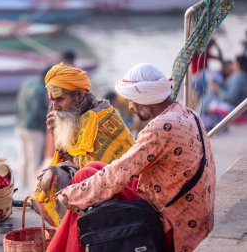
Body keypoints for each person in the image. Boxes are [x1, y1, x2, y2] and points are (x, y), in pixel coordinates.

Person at [53, 63, 216, 252]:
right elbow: (120, 169)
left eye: (132, 100)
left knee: (81, 193)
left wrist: (70, 195)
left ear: (147, 99)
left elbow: (116, 175)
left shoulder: (161, 128)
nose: (130, 106)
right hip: (187, 209)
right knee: (89, 171)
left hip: (173, 221)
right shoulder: (188, 113)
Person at [34, 62, 134, 226]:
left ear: (79, 96)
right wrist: (58, 137)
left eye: (60, 99)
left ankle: (71, 231)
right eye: (52, 100)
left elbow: (89, 174)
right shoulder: (78, 116)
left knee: (53, 177)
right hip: (95, 191)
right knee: (47, 180)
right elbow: (72, 158)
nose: (55, 107)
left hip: (119, 197)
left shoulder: (99, 119)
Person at [15, 66, 50, 190]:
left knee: (23, 159)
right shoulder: (41, 89)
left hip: (20, 125)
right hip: (34, 128)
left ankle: (22, 186)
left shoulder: (28, 83)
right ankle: (32, 189)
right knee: (34, 160)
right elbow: (37, 112)